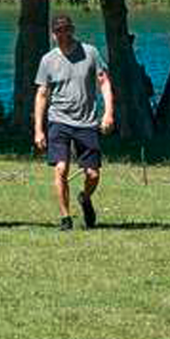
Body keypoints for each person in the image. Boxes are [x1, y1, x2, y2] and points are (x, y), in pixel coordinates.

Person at [33, 14, 115, 230]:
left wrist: (108, 113)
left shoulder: (90, 53)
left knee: (93, 174)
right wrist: (38, 130)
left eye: (66, 30)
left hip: (86, 122)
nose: (63, 34)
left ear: (73, 30)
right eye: (59, 31)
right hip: (58, 120)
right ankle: (65, 218)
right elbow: (42, 94)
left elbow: (104, 82)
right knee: (61, 169)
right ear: (53, 34)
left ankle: (85, 198)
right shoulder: (48, 60)